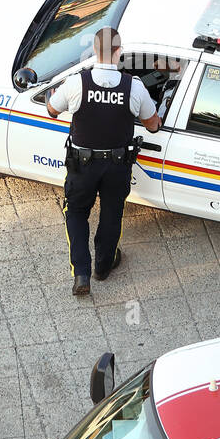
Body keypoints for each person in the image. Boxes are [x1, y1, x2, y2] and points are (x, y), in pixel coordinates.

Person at [46, 27, 160, 296]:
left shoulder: (77, 82)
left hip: (81, 165)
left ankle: (82, 274)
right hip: (117, 166)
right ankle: (103, 266)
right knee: (112, 212)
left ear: (94, 51)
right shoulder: (135, 87)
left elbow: (52, 110)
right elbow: (153, 125)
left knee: (75, 213)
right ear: (119, 52)